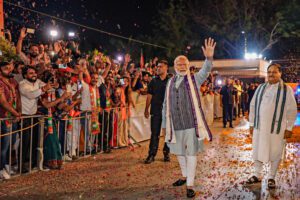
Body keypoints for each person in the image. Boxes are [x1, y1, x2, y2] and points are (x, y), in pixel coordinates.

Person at [162, 38, 216, 198]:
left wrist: (209, 58)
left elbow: (205, 71)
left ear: (188, 65)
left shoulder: (194, 79)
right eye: (179, 64)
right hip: (175, 124)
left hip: (192, 124)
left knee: (191, 153)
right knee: (179, 152)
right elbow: (166, 105)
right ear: (174, 66)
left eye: (184, 63)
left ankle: (190, 184)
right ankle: (184, 176)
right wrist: (165, 126)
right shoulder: (170, 82)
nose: (182, 66)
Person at [246, 63, 297, 189]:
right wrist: (252, 124)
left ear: (280, 73)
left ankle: (271, 177)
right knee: (257, 150)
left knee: (275, 152)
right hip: (260, 127)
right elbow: (252, 106)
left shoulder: (286, 90)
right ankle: (257, 175)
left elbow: (292, 110)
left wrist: (289, 128)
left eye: (274, 72)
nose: (271, 74)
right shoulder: (261, 88)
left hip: (276, 129)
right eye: (269, 72)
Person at [19, 66, 53, 172]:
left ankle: (33, 163)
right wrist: (43, 89)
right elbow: (31, 95)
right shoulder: (22, 84)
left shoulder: (37, 81)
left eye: (34, 72)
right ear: (25, 75)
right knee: (25, 142)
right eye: (30, 73)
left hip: (34, 116)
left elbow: (49, 87)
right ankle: (21, 165)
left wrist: (53, 85)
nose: (34, 74)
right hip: (24, 116)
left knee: (34, 140)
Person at [144, 60, 170, 164]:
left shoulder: (171, 81)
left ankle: (166, 153)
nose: (158, 68)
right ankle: (151, 155)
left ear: (166, 68)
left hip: (168, 113)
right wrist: (146, 109)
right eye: (157, 67)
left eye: (161, 67)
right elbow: (149, 95)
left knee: (168, 134)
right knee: (154, 134)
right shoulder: (153, 81)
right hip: (155, 111)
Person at [0, 61, 21, 179]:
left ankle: (7, 166)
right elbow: (2, 102)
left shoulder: (13, 81)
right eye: (5, 68)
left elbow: (18, 96)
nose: (8, 69)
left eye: (9, 67)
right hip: (4, 118)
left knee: (11, 143)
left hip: (13, 117)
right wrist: (15, 113)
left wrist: (19, 111)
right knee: (4, 145)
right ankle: (1, 168)